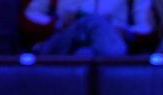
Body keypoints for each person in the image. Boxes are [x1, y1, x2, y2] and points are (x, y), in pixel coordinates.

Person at [21, 0, 155, 55]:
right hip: (64, 38)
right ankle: (113, 66)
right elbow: (27, 19)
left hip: (110, 37)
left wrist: (125, 32)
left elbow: (148, 29)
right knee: (94, 20)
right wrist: (58, 24)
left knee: (85, 54)